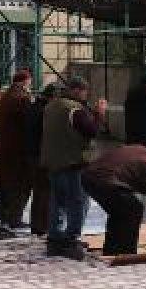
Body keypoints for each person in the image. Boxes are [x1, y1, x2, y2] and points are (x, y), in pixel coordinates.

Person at [40, 76, 106, 259]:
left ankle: (54, 239)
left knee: (58, 202)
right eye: (85, 91)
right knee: (78, 202)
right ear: (77, 90)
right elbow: (92, 131)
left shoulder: (51, 106)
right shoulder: (74, 109)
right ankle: (71, 240)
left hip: (54, 162)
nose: (86, 95)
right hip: (73, 163)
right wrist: (100, 114)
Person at [82, 146, 146, 256]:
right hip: (104, 181)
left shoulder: (145, 153)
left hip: (90, 177)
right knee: (134, 209)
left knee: (120, 212)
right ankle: (127, 252)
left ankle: (112, 250)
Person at [0, 69, 36, 228]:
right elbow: (28, 123)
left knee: (5, 183)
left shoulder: (5, 96)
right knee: (19, 184)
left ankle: (4, 216)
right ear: (25, 81)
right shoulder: (22, 98)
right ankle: (14, 218)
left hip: (4, 145)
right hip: (18, 147)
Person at [27, 83, 57, 235]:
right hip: (41, 154)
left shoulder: (35, 106)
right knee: (44, 191)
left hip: (34, 153)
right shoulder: (44, 110)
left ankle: (37, 224)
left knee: (39, 192)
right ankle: (41, 225)